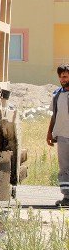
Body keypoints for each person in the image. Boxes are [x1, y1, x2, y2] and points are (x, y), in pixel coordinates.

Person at [46, 64, 69, 206]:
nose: (62, 79)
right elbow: (54, 116)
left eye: (65, 76)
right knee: (64, 168)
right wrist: (49, 133)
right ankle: (67, 198)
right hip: (62, 136)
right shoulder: (57, 95)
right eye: (61, 76)